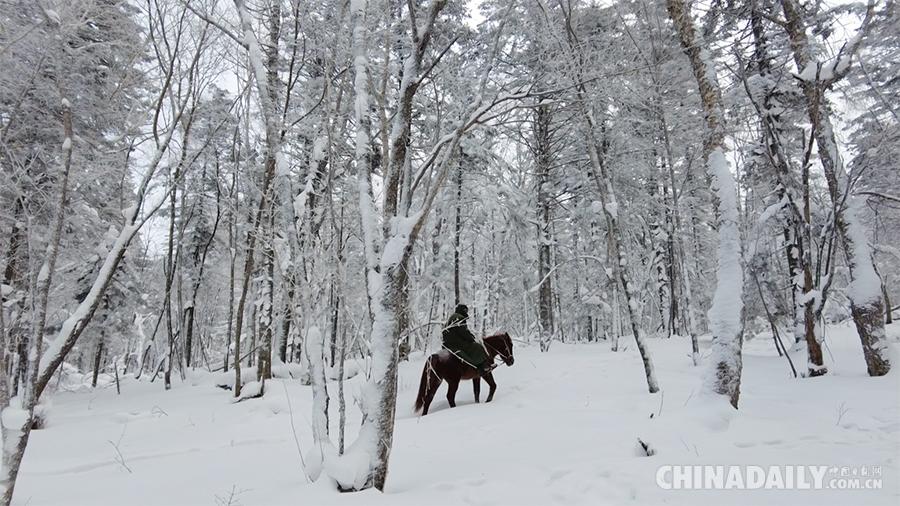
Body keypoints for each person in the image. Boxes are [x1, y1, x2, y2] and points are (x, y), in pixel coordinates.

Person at [441, 304, 492, 375]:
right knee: (478, 347)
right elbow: (463, 332)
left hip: (447, 344)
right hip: (456, 344)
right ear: (463, 310)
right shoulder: (460, 318)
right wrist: (471, 338)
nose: (466, 312)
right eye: (466, 310)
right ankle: (481, 368)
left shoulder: (451, 317)